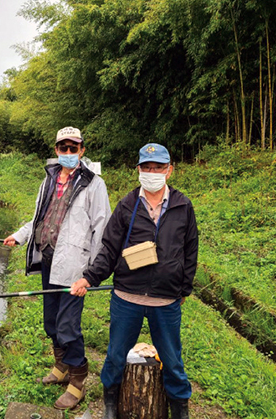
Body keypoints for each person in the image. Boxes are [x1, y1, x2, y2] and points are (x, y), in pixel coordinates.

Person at [71, 143, 198, 419]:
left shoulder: (182, 205)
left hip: (166, 299)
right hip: (127, 297)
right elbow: (109, 248)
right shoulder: (128, 204)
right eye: (147, 167)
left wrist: (184, 287)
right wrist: (89, 278)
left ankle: (180, 409)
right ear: (138, 170)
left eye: (158, 168)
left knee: (173, 362)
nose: (152, 172)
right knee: (115, 356)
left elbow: (190, 251)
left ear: (169, 171)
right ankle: (110, 405)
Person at [3, 126, 111, 410]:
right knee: (50, 321)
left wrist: (91, 274)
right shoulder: (49, 179)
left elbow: (102, 229)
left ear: (82, 150)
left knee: (67, 326)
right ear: (56, 150)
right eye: (63, 148)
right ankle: (61, 367)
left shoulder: (94, 184)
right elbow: (39, 217)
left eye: (72, 148)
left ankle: (77, 382)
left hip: (76, 268)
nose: (67, 153)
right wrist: (20, 235)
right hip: (49, 261)